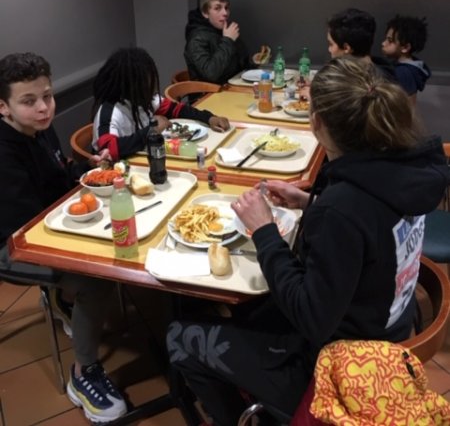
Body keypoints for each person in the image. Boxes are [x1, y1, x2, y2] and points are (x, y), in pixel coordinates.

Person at [166, 57, 449, 426]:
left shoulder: (343, 209)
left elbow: (311, 317)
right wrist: (308, 202)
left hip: (338, 367)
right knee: (251, 307)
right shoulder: (405, 169)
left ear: (316, 123)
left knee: (179, 337)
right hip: (389, 329)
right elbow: (370, 230)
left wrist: (264, 230)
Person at [0, 52, 127, 423]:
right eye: (29, 101)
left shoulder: (38, 127)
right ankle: (83, 373)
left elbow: (58, 173)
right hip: (11, 245)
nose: (44, 108)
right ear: (3, 107)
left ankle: (63, 299)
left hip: (44, 224)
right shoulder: (4, 154)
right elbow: (25, 234)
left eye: (47, 96)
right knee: (95, 278)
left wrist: (87, 169)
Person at [92, 47, 230, 160]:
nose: (153, 87)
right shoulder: (110, 112)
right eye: (147, 82)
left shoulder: (145, 100)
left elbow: (178, 109)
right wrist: (151, 131)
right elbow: (108, 149)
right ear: (131, 84)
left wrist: (209, 118)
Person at [184, 0, 253, 84]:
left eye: (226, 8)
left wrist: (254, 61)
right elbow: (211, 74)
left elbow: (240, 64)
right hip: (209, 92)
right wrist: (228, 40)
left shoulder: (221, 30)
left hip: (230, 86)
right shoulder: (196, 39)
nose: (225, 13)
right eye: (217, 8)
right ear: (205, 13)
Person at [327, 7, 396, 80]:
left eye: (331, 44)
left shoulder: (345, 82)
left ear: (346, 48)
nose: (329, 49)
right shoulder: (387, 73)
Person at [382, 14, 431, 98]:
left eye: (390, 40)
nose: (383, 43)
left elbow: (410, 103)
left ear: (405, 47)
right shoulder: (404, 67)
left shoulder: (403, 73)